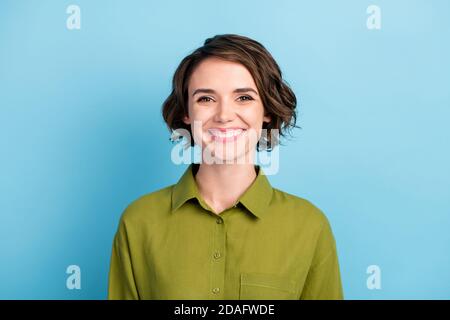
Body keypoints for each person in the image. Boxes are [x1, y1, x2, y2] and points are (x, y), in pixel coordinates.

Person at [108, 34, 344, 300]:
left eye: (243, 98)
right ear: (187, 111)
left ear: (266, 109)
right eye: (206, 99)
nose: (223, 115)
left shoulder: (310, 226)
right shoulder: (139, 221)